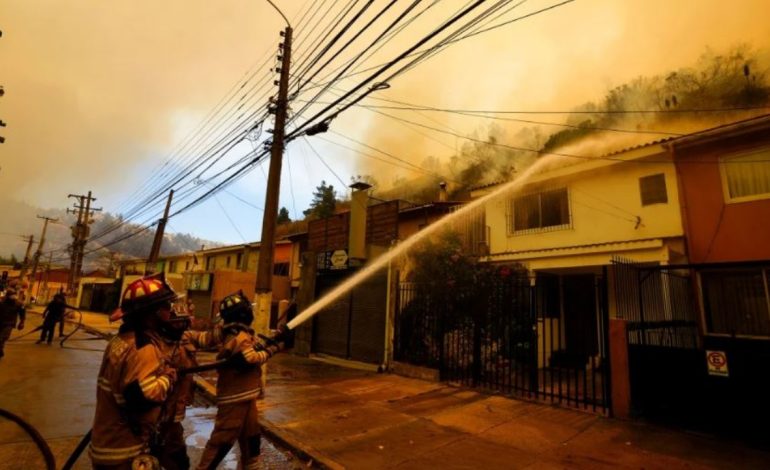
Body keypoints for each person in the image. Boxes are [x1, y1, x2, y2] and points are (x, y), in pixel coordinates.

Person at [89, 276, 179, 470]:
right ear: (152, 313)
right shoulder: (143, 347)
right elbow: (142, 396)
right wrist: (168, 378)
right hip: (125, 450)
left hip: (106, 443)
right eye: (166, 306)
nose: (170, 312)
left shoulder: (121, 340)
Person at [195, 291, 291, 470]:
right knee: (223, 439)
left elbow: (253, 349)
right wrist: (275, 349)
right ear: (243, 313)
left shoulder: (238, 334)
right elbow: (251, 358)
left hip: (246, 396)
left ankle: (251, 465)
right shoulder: (239, 337)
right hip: (235, 398)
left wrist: (276, 340)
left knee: (251, 437)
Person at [155, 300, 223, 470]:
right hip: (157, 418)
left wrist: (227, 327)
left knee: (177, 459)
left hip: (174, 416)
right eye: (177, 322)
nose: (181, 326)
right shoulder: (154, 346)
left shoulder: (184, 338)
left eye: (183, 322)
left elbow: (207, 338)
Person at [0, 288, 25, 359]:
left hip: (9, 323)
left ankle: (0, 351)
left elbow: (22, 313)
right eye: (11, 295)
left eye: (14, 294)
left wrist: (22, 322)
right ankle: (0, 351)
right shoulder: (2, 302)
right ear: (7, 296)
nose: (13, 296)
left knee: (2, 338)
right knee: (1, 339)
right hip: (1, 322)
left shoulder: (18, 304)